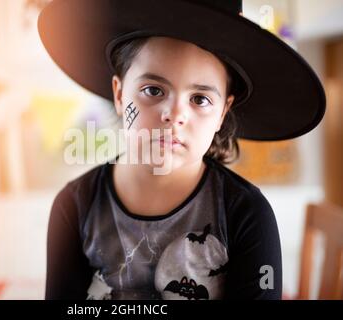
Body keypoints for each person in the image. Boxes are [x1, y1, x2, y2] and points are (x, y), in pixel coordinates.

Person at [38, 0, 326, 300]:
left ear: (222, 113)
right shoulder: (75, 207)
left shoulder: (246, 214)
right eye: (153, 90)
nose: (174, 115)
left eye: (200, 99)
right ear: (120, 94)